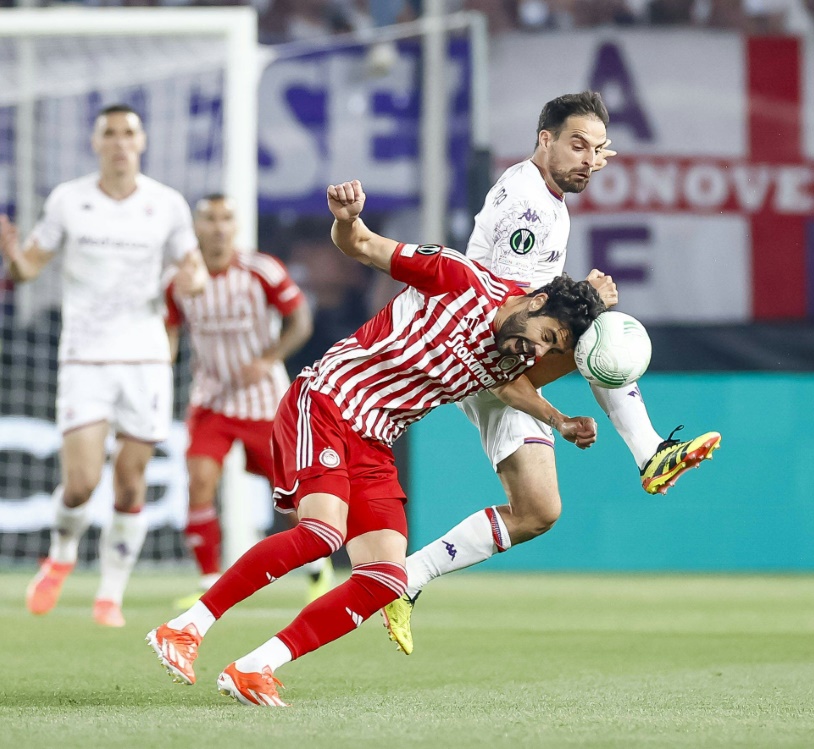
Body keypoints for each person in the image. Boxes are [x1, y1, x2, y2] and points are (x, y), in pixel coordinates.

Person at [146, 178, 606, 706]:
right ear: (536, 299)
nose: (536, 348)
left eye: (549, 347)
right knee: (322, 533)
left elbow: (504, 381)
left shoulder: (514, 353)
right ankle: (186, 627)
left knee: (387, 577)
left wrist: (560, 419)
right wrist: (347, 218)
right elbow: (363, 245)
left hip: (376, 439)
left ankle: (255, 666)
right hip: (329, 399)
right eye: (544, 334)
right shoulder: (457, 276)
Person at [381, 90, 721, 655]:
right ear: (544, 139)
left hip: (493, 359)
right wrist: (585, 300)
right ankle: (651, 453)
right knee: (600, 334)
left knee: (540, 511)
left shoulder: (544, 188)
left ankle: (405, 578)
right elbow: (511, 325)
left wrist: (582, 149)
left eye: (596, 149)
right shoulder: (532, 210)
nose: (588, 159)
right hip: (486, 358)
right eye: (575, 145)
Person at [0, 103, 208, 627]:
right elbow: (30, 267)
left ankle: (109, 596)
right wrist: (11, 256)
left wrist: (193, 284)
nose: (119, 142)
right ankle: (62, 553)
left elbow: (195, 272)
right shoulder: (69, 201)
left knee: (132, 484)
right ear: (96, 144)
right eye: (109, 133)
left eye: (128, 134)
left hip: (145, 358)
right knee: (81, 483)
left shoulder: (166, 205)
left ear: (141, 143)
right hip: (85, 357)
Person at [165, 194, 333, 608]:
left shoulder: (261, 270)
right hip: (212, 399)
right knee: (200, 482)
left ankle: (318, 568)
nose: (219, 226)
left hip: (263, 400)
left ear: (234, 227)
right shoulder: (180, 281)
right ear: (197, 227)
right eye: (209, 219)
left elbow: (301, 320)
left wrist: (268, 358)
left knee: (289, 493)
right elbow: (169, 331)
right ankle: (208, 581)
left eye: (226, 218)